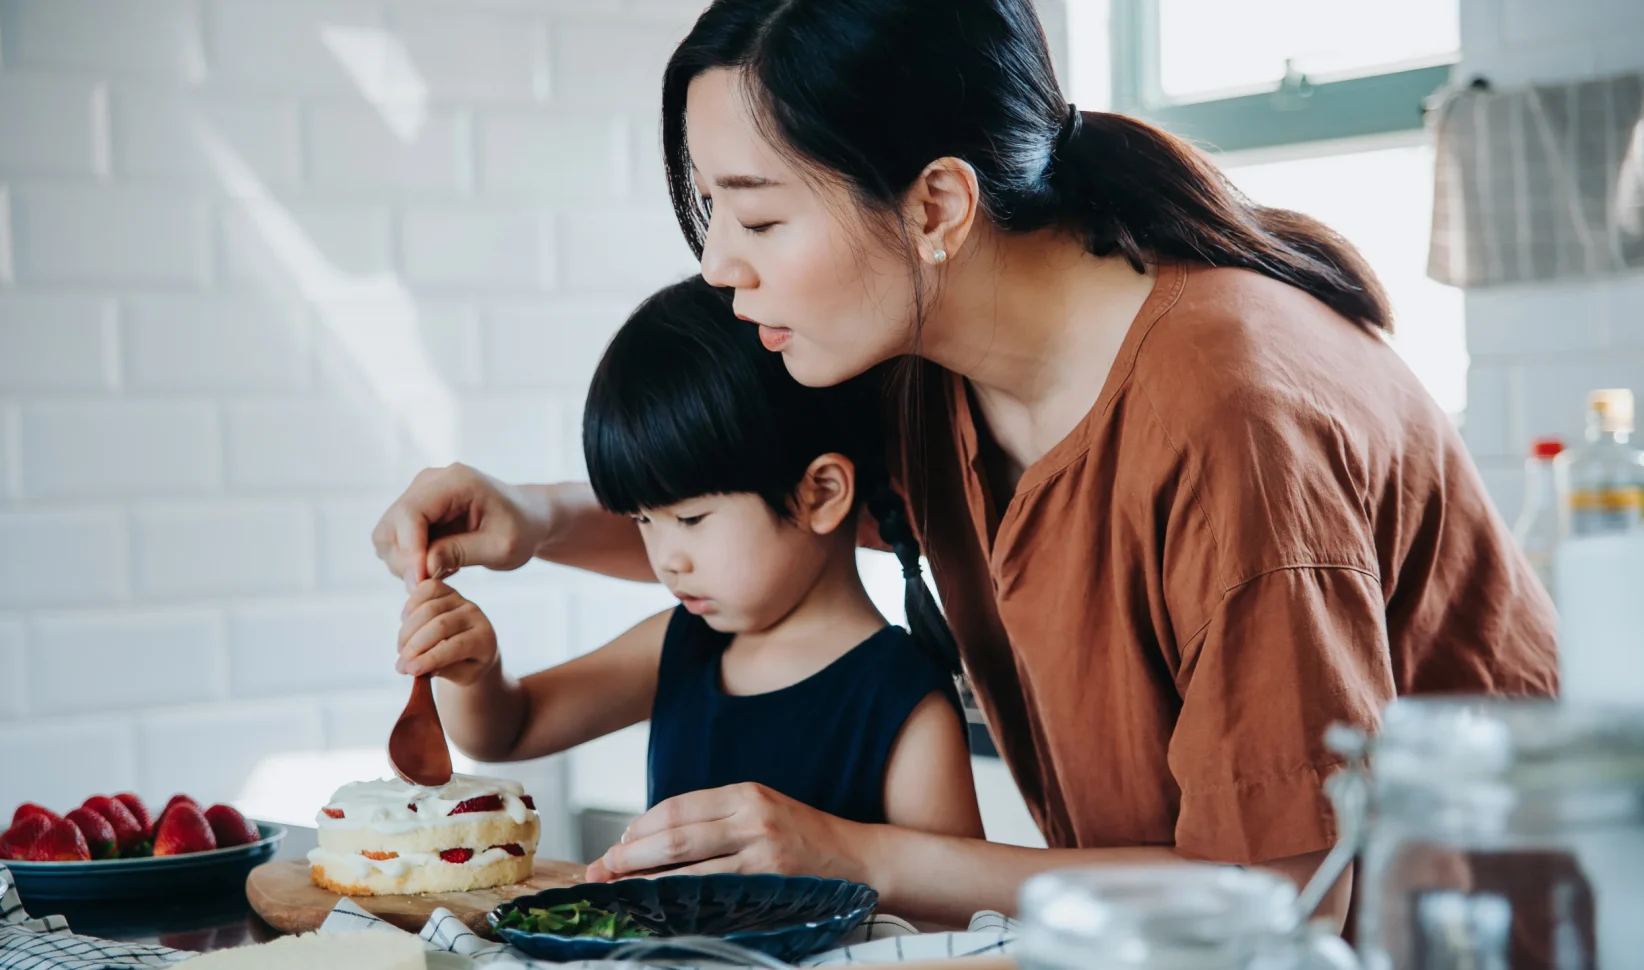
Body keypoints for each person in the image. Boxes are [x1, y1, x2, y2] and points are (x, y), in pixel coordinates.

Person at [374, 0, 1558, 929]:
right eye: (713, 214)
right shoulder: (942, 371)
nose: (722, 266)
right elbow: (774, 514)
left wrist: (848, 852)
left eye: (761, 218)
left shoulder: (1232, 418)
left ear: (940, 201)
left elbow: (1282, 898)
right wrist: (531, 516)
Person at [394, 277, 982, 843]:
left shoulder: (902, 698)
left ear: (822, 493)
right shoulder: (684, 643)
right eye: (643, 521)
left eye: (693, 520)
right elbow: (509, 730)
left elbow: (954, 919)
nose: (665, 558)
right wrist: (477, 672)